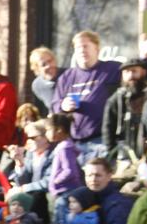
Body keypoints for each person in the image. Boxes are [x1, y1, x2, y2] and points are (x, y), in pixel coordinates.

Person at [51, 31, 121, 160]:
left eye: (86, 46)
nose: (82, 51)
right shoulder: (67, 77)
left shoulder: (111, 69)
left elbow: (135, 74)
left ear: (97, 49)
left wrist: (145, 56)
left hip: (102, 140)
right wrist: (63, 105)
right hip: (75, 143)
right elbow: (55, 105)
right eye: (78, 47)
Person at [102, 58, 147, 175]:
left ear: (143, 72)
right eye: (126, 72)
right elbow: (108, 129)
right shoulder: (117, 99)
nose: (130, 76)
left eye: (134, 71)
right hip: (125, 155)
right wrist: (112, 154)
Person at [7, 120, 54, 224]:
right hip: (31, 193)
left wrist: (23, 189)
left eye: (33, 138)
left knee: (31, 200)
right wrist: (19, 162)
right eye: (28, 138)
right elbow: (22, 181)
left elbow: (48, 182)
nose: (29, 141)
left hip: (45, 195)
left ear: (45, 137)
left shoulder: (53, 154)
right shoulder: (31, 153)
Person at [45, 112, 83, 224]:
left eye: (48, 130)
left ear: (59, 130)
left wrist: (56, 180)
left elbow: (70, 171)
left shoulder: (65, 148)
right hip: (60, 192)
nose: (46, 133)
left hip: (65, 192)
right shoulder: (62, 147)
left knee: (61, 223)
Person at [29, 47, 64, 117]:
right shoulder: (37, 85)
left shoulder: (68, 75)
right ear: (37, 69)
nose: (49, 66)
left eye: (50, 61)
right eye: (43, 64)